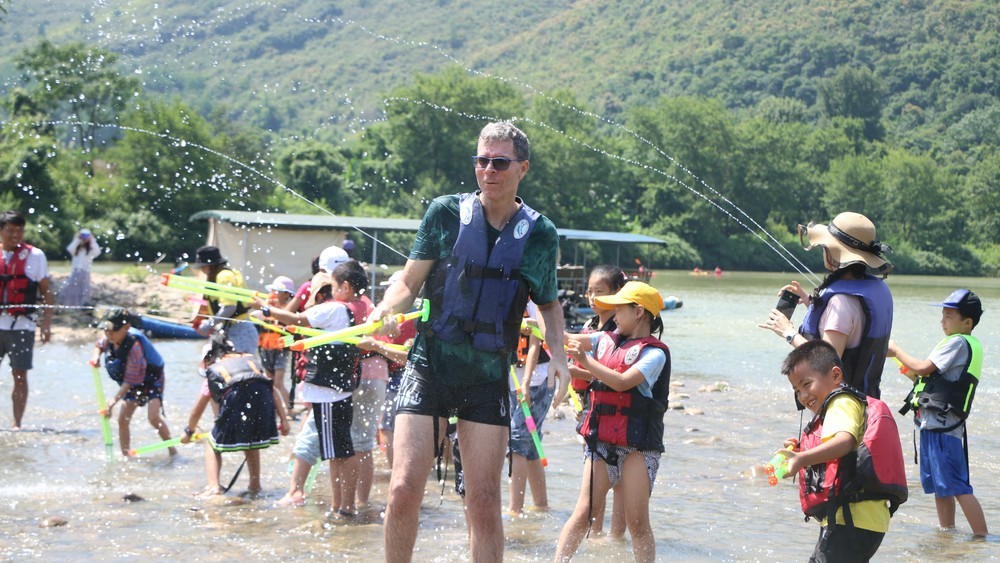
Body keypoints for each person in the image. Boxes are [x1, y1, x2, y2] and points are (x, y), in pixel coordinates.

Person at [369, 122, 568, 563]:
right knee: (402, 488)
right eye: (482, 160)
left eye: (500, 162)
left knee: (483, 500)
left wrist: (559, 357)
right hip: (430, 365)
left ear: (522, 168)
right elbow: (408, 281)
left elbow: (549, 304)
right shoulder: (443, 212)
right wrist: (385, 309)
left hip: (486, 375)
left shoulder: (540, 233)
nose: (488, 170)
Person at [555, 281, 670, 563]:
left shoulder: (654, 354)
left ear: (639, 312)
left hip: (638, 448)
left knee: (637, 523)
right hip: (602, 442)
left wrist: (584, 362)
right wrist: (533, 323)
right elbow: (565, 338)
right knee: (584, 513)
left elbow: (621, 382)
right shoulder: (604, 339)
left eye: (619, 309)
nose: (613, 315)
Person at [251, 263, 364, 515]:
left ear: (345, 287)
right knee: (337, 452)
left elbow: (296, 319)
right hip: (339, 390)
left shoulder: (335, 308)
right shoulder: (359, 307)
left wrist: (266, 309)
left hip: (328, 393)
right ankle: (341, 505)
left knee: (340, 453)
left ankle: (345, 507)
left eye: (334, 286)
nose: (331, 291)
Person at [776, 340, 895, 562]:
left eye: (807, 384)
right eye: (797, 391)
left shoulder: (840, 403)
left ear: (835, 375)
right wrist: (801, 449)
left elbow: (845, 442)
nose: (803, 396)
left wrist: (801, 458)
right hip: (857, 518)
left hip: (852, 517)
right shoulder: (842, 404)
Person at [887, 289, 988, 537]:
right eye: (942, 315)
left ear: (967, 322)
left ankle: (982, 539)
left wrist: (897, 349)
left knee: (958, 486)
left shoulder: (958, 342)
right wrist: (897, 360)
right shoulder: (958, 343)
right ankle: (947, 535)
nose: (942, 321)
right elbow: (921, 377)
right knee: (941, 487)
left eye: (948, 316)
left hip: (943, 426)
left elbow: (923, 368)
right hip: (933, 424)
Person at [761, 212, 894, 399]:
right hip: (865, 400)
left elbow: (825, 362)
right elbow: (851, 327)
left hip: (843, 405)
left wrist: (788, 333)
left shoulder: (841, 303)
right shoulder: (871, 289)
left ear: (834, 253)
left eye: (825, 247)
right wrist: (809, 301)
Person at [181, 331, 289, 497]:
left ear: (210, 359)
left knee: (212, 443)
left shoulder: (215, 371)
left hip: (237, 399)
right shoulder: (248, 361)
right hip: (263, 401)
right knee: (251, 442)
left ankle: (213, 487)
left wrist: (188, 432)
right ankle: (255, 486)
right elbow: (271, 389)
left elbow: (197, 410)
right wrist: (284, 420)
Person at [570, 264, 627, 536]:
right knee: (595, 476)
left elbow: (609, 374)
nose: (592, 298)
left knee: (618, 480)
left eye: (600, 292)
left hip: (614, 411)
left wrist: (575, 371)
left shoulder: (621, 329)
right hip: (589, 407)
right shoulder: (590, 326)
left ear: (617, 293)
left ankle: (615, 537)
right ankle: (595, 533)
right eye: (589, 292)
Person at [89, 308, 174, 457]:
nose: (109, 334)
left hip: (152, 379)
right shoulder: (109, 338)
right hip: (132, 381)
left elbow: (129, 381)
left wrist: (111, 403)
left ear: (127, 328)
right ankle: (126, 454)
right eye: (107, 331)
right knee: (123, 419)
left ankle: (172, 450)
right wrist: (95, 357)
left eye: (114, 331)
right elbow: (99, 345)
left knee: (153, 418)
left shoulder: (134, 347)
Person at [507, 300, 565, 516]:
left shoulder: (533, 304)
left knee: (517, 439)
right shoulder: (504, 296)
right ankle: (541, 506)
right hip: (512, 378)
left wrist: (526, 383)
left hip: (537, 380)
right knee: (531, 443)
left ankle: (515, 511)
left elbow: (534, 345)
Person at [0, 210, 54, 429]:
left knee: (20, 375)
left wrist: (46, 324)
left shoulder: (36, 256)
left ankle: (17, 424)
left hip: (23, 326)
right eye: (10, 230)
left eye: (20, 230)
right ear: (1, 231)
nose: (16, 235)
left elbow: (47, 291)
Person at [192, 245, 257, 354]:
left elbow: (230, 307)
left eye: (203, 267)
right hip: (228, 328)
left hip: (240, 331)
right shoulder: (216, 277)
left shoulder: (224, 277)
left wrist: (210, 324)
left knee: (236, 363)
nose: (202, 270)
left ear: (211, 265)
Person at [259, 275, 295, 413]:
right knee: (269, 382)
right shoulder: (268, 308)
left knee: (278, 383)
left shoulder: (289, 311)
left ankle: (290, 410)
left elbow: (290, 327)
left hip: (281, 350)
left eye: (277, 291)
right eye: (272, 290)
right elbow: (257, 315)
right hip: (266, 348)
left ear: (286, 294)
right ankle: (273, 410)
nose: (273, 293)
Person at [57, 228, 101, 307]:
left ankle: (83, 305)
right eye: (83, 235)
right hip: (76, 270)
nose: (84, 238)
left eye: (86, 236)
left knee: (84, 289)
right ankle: (68, 304)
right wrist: (77, 239)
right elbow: (69, 249)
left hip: (85, 271)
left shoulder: (90, 249)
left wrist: (92, 240)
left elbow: (98, 252)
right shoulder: (76, 248)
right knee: (70, 287)